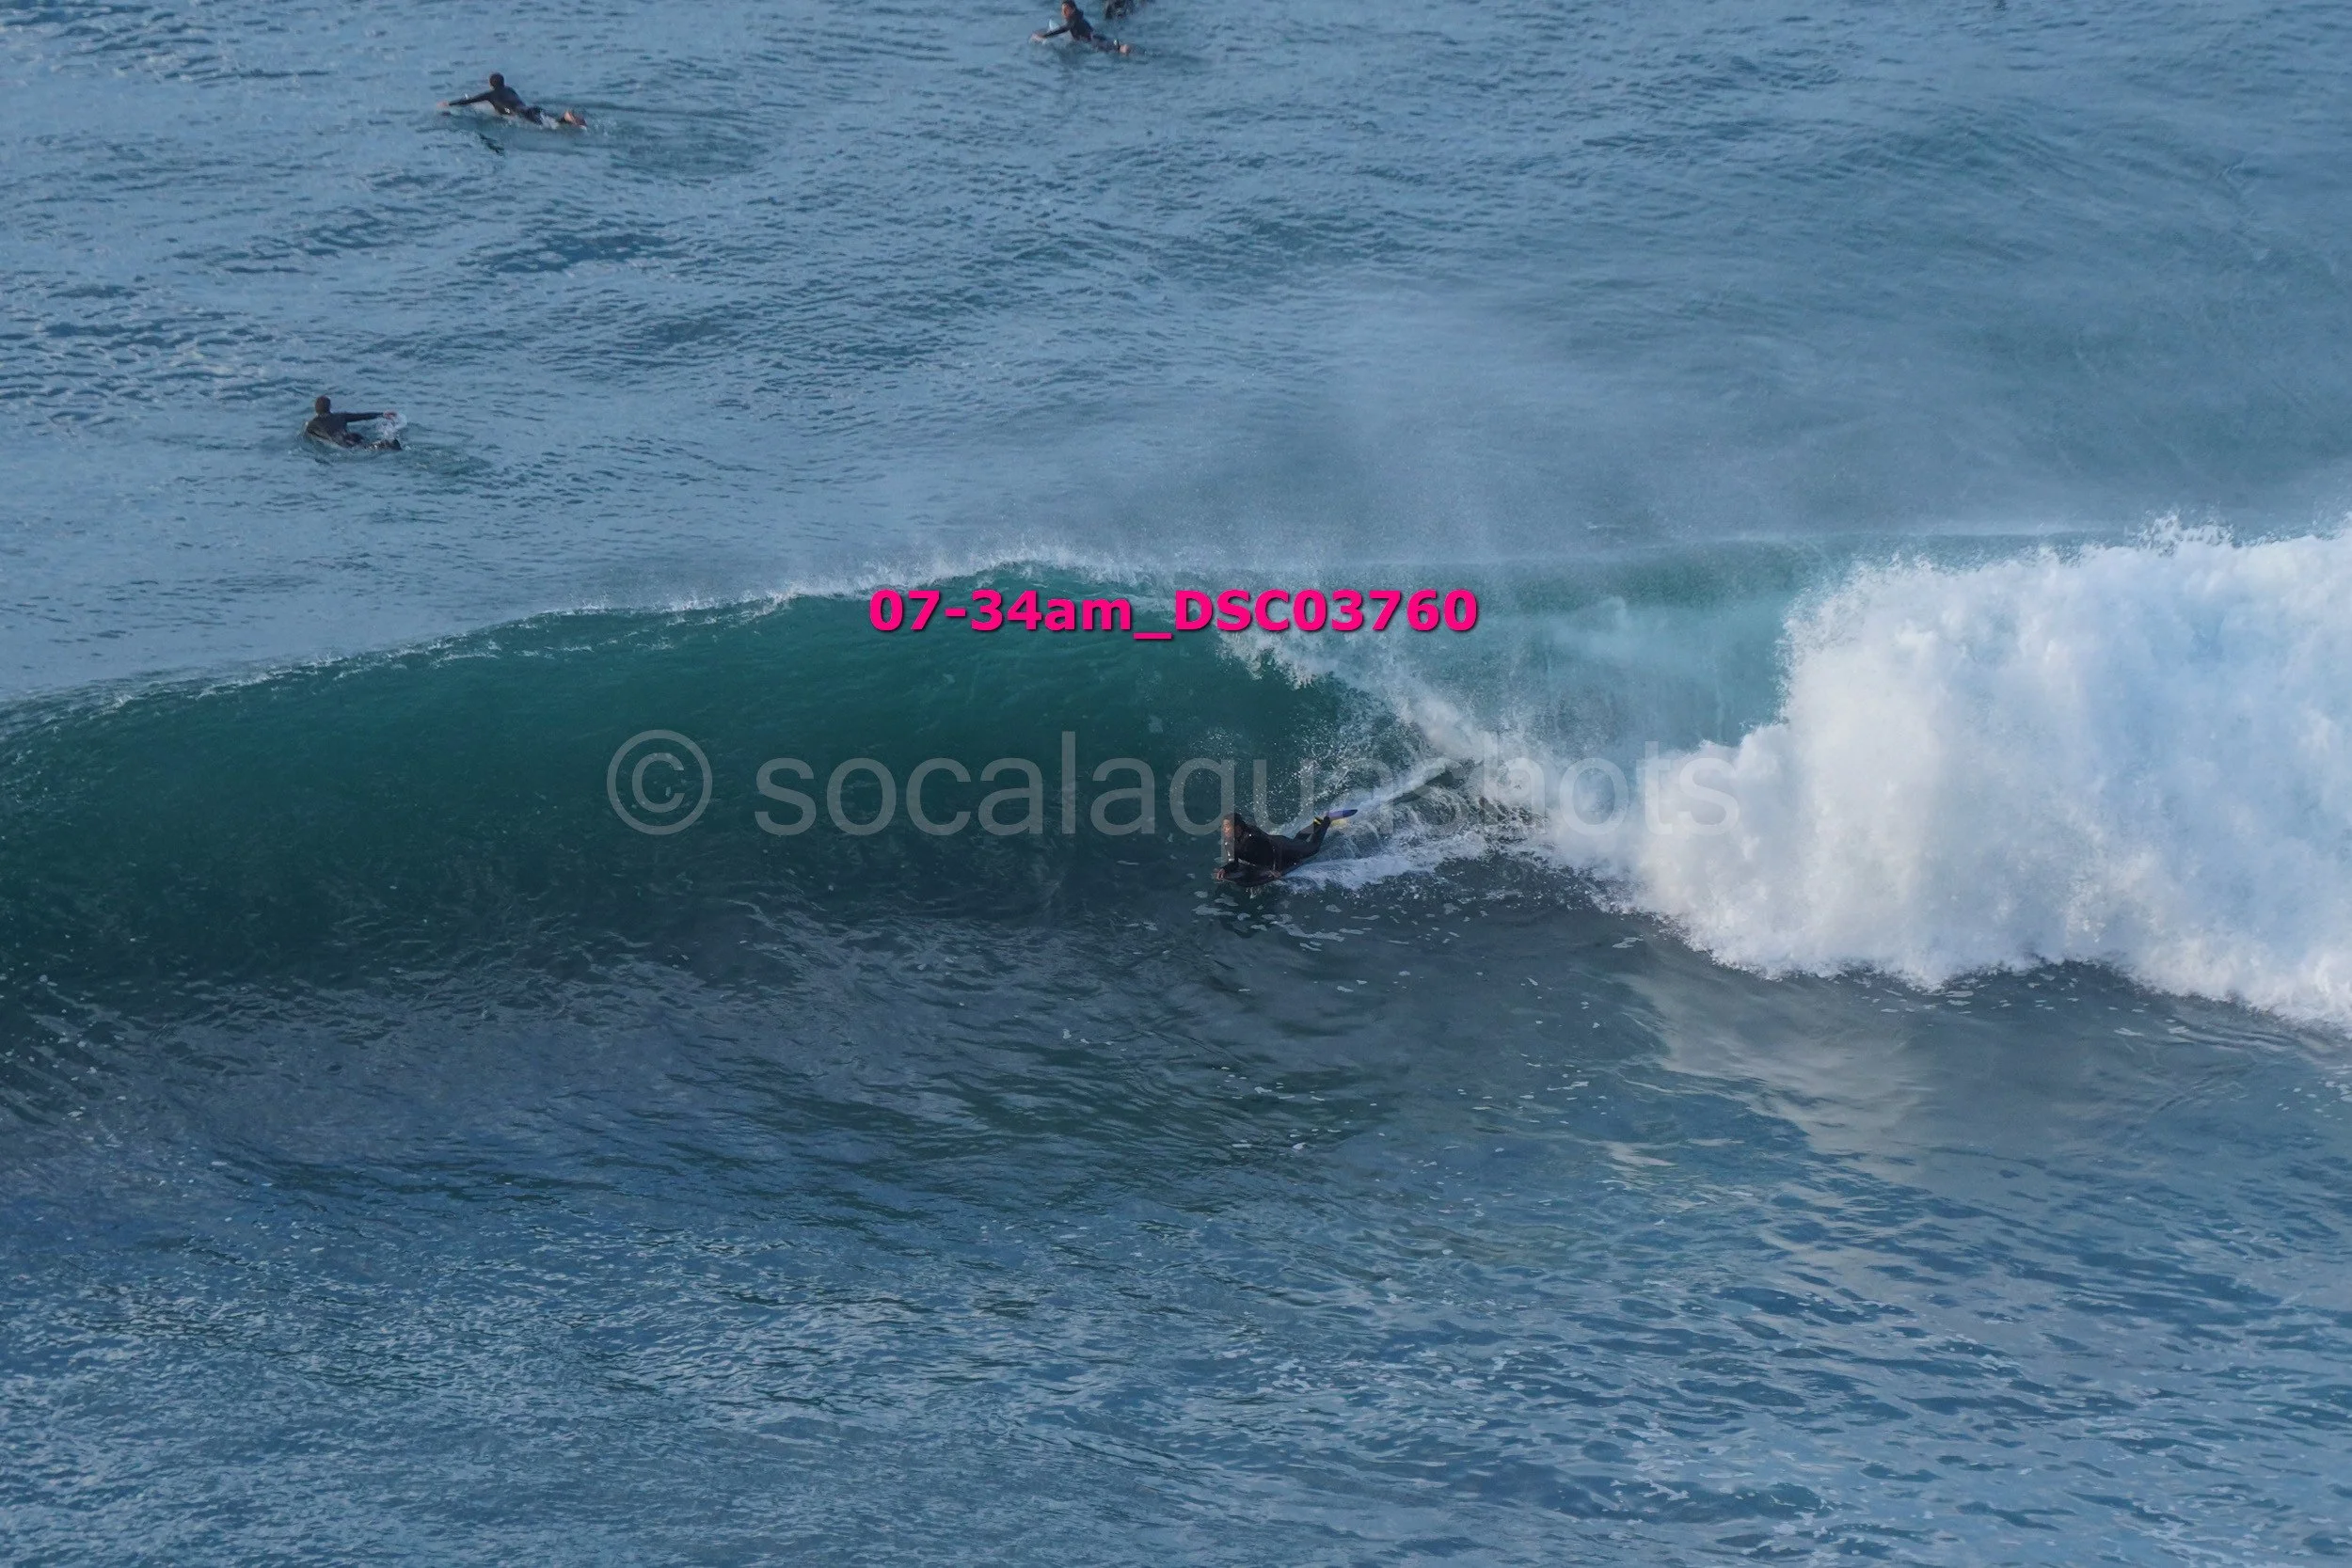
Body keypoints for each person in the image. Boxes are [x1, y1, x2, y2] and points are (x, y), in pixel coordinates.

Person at [1216, 811, 1351, 886]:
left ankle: (1328, 819)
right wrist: (1225, 869)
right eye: (1224, 826)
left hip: (1283, 848)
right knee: (1298, 841)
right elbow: (1234, 862)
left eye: (1227, 826)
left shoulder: (1252, 836)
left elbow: (1276, 847)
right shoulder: (1229, 841)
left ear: (1237, 827)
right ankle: (1316, 823)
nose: (1224, 829)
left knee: (1312, 848)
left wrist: (1276, 869)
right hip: (1279, 844)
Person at [439, 73, 586, 128]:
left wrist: (449, 104)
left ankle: (565, 118)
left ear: (491, 84)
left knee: (549, 128)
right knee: (550, 121)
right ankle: (566, 117)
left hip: (519, 114)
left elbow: (469, 101)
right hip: (529, 108)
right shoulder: (510, 89)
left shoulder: (489, 95)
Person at [304, 396, 399, 450]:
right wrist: (382, 414)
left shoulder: (312, 425)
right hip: (351, 436)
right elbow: (362, 416)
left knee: (363, 448)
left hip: (341, 442)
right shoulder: (341, 416)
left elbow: (311, 436)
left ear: (315, 409)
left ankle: (382, 445)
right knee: (366, 446)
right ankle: (385, 443)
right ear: (330, 407)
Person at [1033, 2, 1131, 54]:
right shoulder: (1078, 17)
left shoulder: (1073, 21)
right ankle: (1121, 47)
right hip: (1096, 36)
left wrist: (1045, 36)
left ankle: (1122, 48)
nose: (1063, 13)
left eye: (1066, 10)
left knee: (1112, 48)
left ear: (1072, 10)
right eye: (1063, 10)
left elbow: (1064, 29)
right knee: (1112, 44)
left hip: (1093, 40)